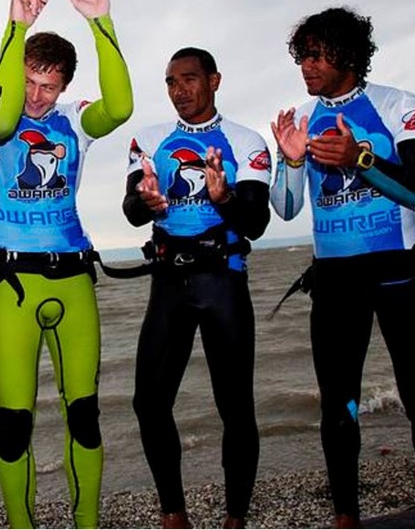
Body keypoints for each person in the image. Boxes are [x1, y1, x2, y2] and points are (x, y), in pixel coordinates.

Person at [269, 7, 415, 528]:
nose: (306, 66)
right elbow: (285, 208)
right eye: (301, 56)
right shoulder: (305, 118)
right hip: (335, 281)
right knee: (337, 404)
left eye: (317, 54)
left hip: (399, 273)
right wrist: (293, 160)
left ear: (348, 54)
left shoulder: (400, 106)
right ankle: (345, 515)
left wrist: (360, 159)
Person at [0, 0, 133, 528]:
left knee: (84, 415)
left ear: (63, 87)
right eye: (30, 81)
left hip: (73, 280)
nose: (36, 97)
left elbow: (122, 106)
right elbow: (3, 113)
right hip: (12, 286)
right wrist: (12, 30)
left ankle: (86, 526)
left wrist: (100, 21)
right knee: (15, 422)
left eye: (49, 86)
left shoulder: (75, 123)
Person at [123, 47, 271, 529]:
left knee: (235, 407)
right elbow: (131, 210)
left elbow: (256, 221)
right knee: (148, 401)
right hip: (169, 283)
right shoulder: (148, 140)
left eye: (188, 79)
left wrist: (223, 196)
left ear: (214, 81)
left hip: (222, 280)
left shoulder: (246, 143)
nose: (178, 89)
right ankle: (173, 514)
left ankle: (235, 518)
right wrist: (146, 202)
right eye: (170, 81)